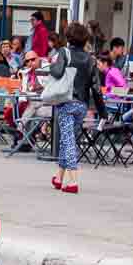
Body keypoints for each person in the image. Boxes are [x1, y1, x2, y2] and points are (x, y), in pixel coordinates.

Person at [44, 20, 96, 195]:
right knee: (67, 139)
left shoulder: (64, 53)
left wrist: (51, 64)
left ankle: (73, 181)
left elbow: (57, 72)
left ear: (68, 38)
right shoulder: (90, 59)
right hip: (82, 104)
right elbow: (95, 87)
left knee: (68, 141)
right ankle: (59, 177)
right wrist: (102, 111)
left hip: (66, 102)